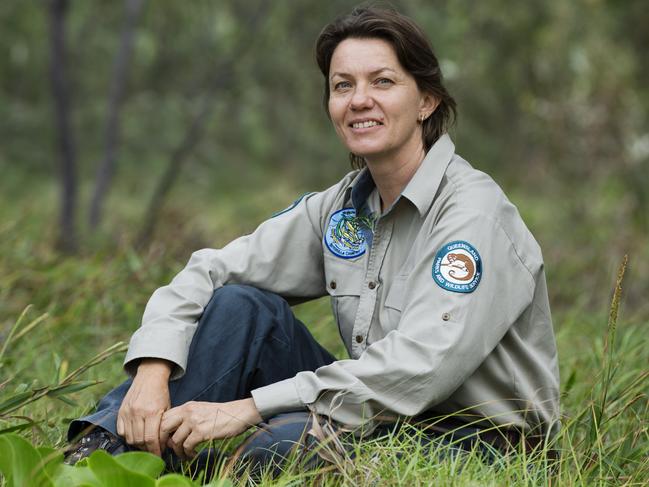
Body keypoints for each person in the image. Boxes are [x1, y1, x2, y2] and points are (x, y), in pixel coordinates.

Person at [65, 6, 560, 473]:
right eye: (342, 85)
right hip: (383, 416)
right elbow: (211, 269)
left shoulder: (471, 212)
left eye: (382, 82)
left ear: (426, 101)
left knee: (280, 444)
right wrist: (154, 368)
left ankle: (200, 468)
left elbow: (421, 369)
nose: (359, 99)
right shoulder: (343, 206)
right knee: (241, 306)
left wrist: (249, 408)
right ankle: (99, 457)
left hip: (480, 441)